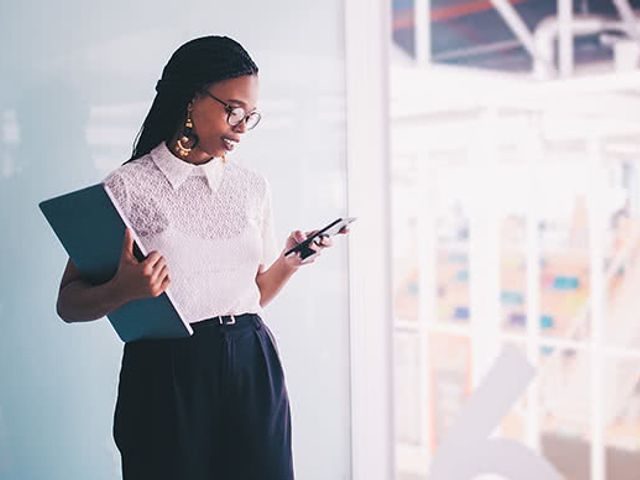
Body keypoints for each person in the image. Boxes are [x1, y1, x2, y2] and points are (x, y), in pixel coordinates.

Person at [55, 35, 349, 480]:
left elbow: (254, 294)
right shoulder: (128, 186)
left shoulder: (253, 186)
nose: (241, 127)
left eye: (250, 116)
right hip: (166, 372)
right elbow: (68, 304)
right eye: (232, 110)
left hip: (253, 361)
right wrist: (124, 289)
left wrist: (289, 262)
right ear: (192, 98)